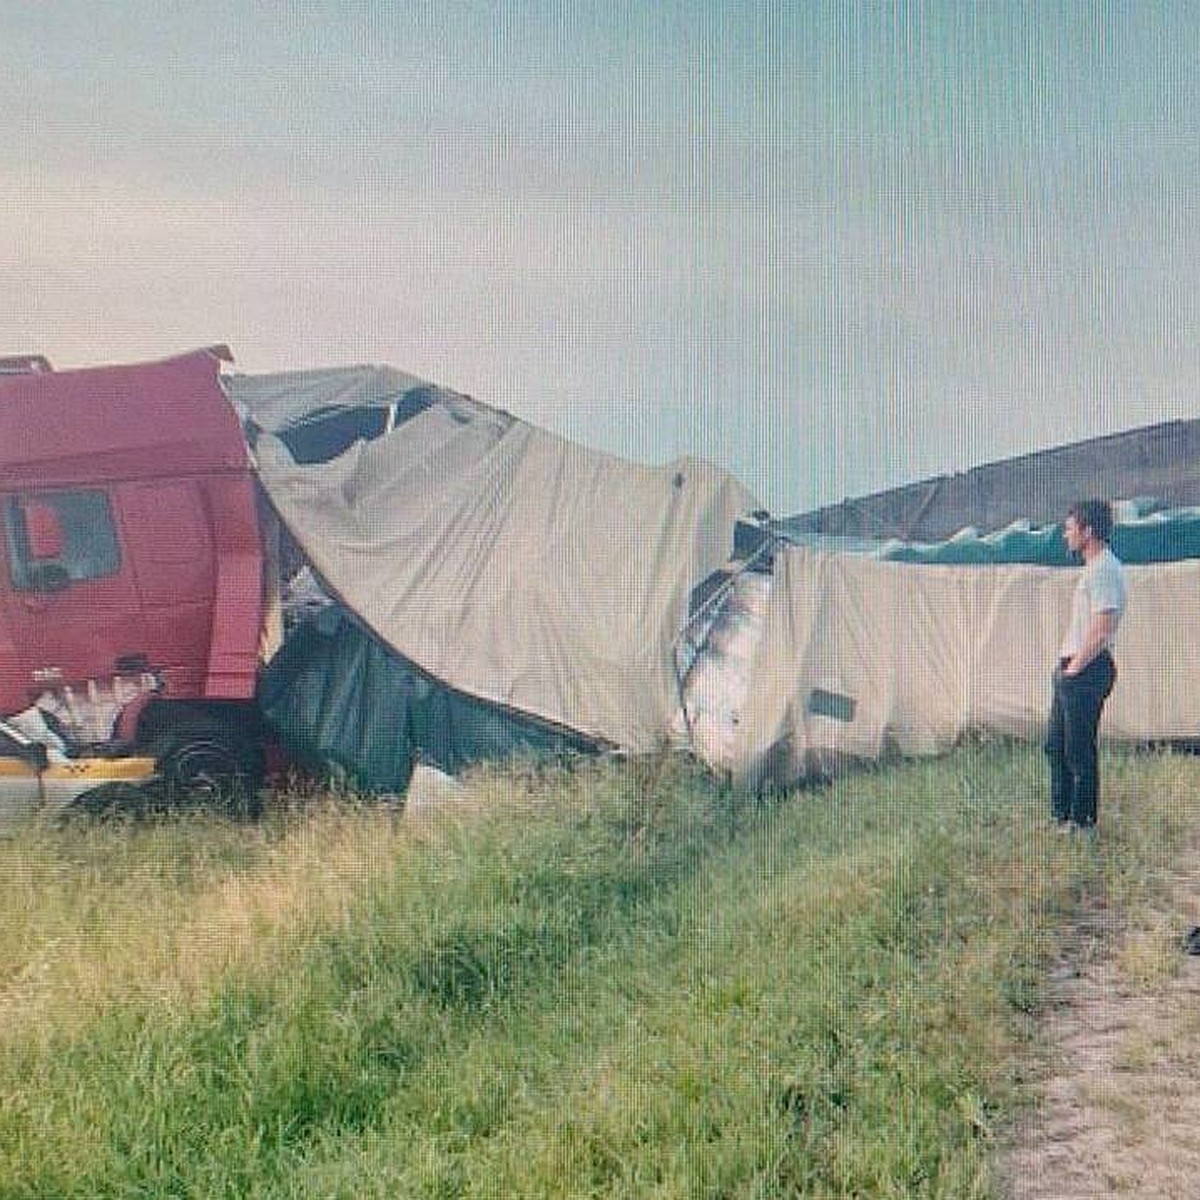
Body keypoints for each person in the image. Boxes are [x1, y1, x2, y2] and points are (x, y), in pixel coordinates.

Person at [1046, 499, 1127, 831]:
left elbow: (1103, 626)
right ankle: (1062, 818)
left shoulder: (1105, 569)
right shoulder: (1094, 569)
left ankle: (1083, 824)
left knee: (1078, 751)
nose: (1066, 535)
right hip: (1075, 667)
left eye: (1070, 528)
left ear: (1088, 531)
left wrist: (1076, 668)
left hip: (1088, 668)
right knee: (1055, 745)